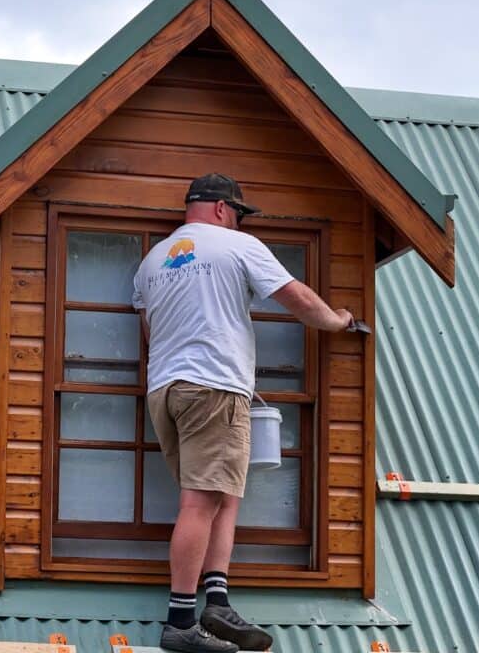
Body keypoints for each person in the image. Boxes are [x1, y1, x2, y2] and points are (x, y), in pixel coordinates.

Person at [132, 173, 355, 653]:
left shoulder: (151, 263)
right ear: (218, 208)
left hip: (166, 389)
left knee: (219, 496)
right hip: (213, 387)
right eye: (236, 212)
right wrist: (339, 321)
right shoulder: (238, 245)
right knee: (201, 503)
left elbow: (150, 332)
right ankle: (181, 623)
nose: (238, 220)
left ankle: (217, 600)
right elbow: (298, 298)